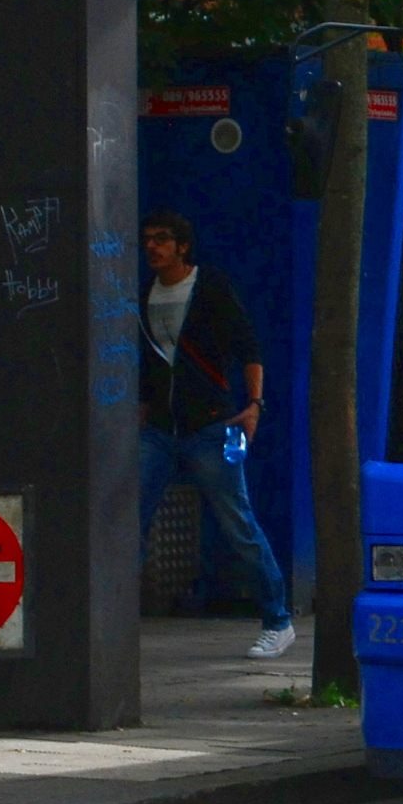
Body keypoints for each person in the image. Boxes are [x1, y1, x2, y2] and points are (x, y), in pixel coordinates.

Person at [138, 212, 296, 660]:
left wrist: (254, 404)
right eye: (148, 240)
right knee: (127, 520)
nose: (153, 247)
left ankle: (278, 619)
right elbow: (152, 362)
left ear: (183, 246)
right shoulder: (142, 295)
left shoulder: (209, 287)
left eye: (162, 239)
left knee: (237, 523)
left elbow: (247, 346)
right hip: (160, 429)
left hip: (209, 424)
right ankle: (108, 620)